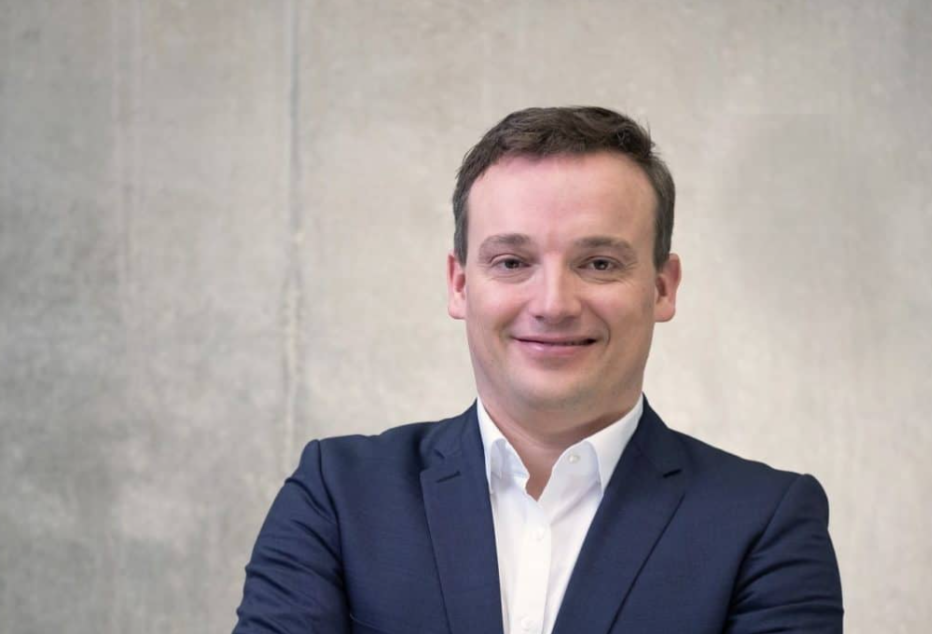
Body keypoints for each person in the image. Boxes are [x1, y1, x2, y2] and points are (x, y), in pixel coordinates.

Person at [234, 106, 843, 634]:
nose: (553, 304)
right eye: (511, 261)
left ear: (662, 287)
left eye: (599, 263)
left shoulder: (765, 523)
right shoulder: (338, 496)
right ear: (459, 284)